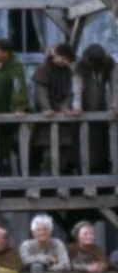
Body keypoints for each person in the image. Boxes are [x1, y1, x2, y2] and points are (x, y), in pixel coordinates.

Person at [31, 43, 80, 174]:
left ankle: (59, 177)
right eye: (62, 58)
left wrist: (65, 107)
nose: (63, 61)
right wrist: (46, 108)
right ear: (56, 55)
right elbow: (40, 91)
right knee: (48, 150)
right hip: (47, 116)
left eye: (66, 60)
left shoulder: (67, 71)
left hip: (61, 116)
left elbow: (69, 92)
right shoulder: (43, 69)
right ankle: (46, 178)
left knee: (64, 148)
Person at [0, 38, 29, 174]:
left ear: (6, 53)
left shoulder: (15, 67)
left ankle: (11, 171)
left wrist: (19, 106)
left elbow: (18, 88)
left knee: (8, 144)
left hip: (6, 110)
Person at [72, 43, 118, 174]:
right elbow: (77, 87)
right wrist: (77, 106)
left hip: (100, 106)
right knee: (82, 142)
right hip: (84, 108)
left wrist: (115, 105)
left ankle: (101, 170)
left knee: (101, 143)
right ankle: (82, 170)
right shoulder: (80, 65)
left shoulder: (110, 64)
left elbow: (115, 84)